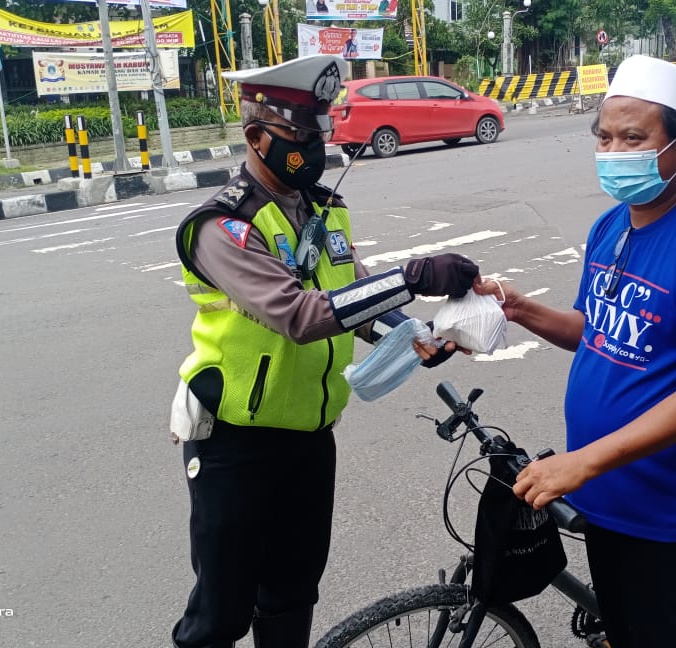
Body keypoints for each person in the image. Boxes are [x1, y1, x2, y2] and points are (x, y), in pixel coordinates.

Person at [168, 54, 479, 648]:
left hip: (311, 438)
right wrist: (412, 275)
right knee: (221, 613)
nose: (314, 149)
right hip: (237, 441)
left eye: (321, 134)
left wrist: (411, 330)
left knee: (291, 597)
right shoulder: (222, 228)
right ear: (256, 135)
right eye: (300, 137)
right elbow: (299, 316)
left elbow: (352, 294)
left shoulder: (326, 210)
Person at [473, 54, 676, 647]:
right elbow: (594, 328)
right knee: (622, 631)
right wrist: (521, 309)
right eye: (603, 137)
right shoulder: (611, 225)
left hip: (662, 510)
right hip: (602, 490)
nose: (613, 151)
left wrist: (584, 462)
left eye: (633, 137)